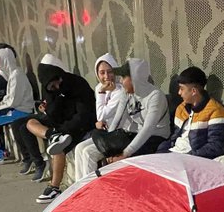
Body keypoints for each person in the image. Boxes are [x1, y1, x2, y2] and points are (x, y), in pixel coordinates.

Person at [66, 58, 169, 186]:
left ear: (134, 78)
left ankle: (93, 192)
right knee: (85, 150)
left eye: (123, 77)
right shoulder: (127, 93)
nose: (120, 81)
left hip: (155, 136)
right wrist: (108, 144)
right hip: (134, 134)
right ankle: (81, 189)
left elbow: (148, 128)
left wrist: (125, 153)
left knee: (95, 154)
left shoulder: (155, 96)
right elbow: (117, 120)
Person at [29, 58, 97, 202]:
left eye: (58, 82)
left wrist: (63, 129)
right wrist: (49, 107)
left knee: (58, 147)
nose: (57, 86)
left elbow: (83, 116)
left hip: (80, 126)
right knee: (29, 123)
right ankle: (52, 135)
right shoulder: (50, 89)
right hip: (60, 124)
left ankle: (54, 187)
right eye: (53, 86)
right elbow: (54, 112)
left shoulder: (77, 84)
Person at [156, 66, 224, 161]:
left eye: (182, 89)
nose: (179, 93)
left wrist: (189, 156)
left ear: (194, 91)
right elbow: (175, 137)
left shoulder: (216, 111)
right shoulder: (181, 108)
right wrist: (162, 149)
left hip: (192, 159)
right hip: (175, 154)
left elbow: (216, 146)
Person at [71, 53, 126, 181]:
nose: (106, 76)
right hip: (106, 134)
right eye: (102, 73)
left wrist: (101, 93)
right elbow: (101, 117)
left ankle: (89, 190)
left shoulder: (120, 90)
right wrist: (99, 122)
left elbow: (101, 115)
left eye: (110, 72)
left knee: (88, 153)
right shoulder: (99, 88)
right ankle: (79, 187)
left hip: (119, 135)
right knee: (79, 148)